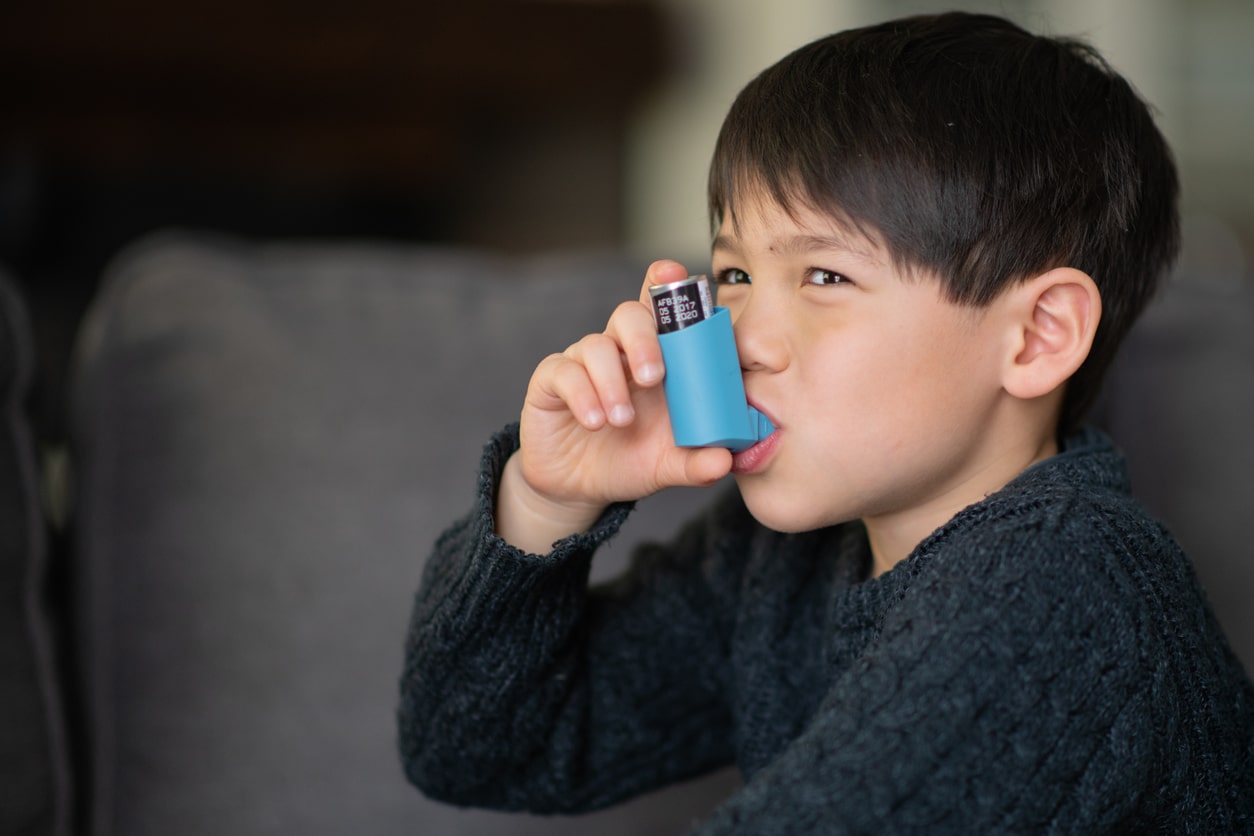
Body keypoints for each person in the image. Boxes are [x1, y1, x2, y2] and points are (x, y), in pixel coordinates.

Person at [398, 12, 1254, 832]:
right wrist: (546, 503)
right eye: (732, 275)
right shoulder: (776, 556)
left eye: (825, 277)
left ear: (1037, 336)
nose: (741, 340)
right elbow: (476, 754)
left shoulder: (1073, 588)